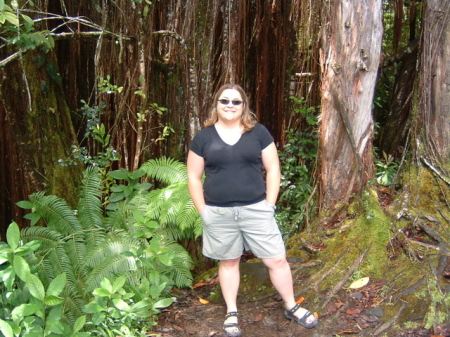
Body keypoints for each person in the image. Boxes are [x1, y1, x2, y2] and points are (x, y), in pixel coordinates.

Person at [187, 84, 318, 336]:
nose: (229, 105)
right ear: (216, 104)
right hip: (219, 212)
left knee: (276, 259)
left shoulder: (258, 133)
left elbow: (273, 169)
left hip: (257, 210)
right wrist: (203, 211)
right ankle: (232, 312)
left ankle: (291, 305)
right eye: (224, 100)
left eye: (236, 102)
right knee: (228, 262)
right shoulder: (203, 137)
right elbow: (193, 177)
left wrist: (269, 204)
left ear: (244, 106)